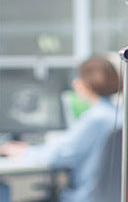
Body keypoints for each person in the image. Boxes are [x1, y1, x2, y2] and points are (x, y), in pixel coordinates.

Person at [0, 56, 121, 202]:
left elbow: (59, 155)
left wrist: (25, 151)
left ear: (83, 84)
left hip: (83, 197)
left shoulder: (96, 119)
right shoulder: (121, 114)